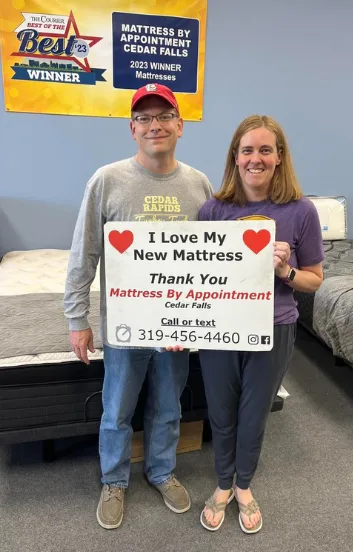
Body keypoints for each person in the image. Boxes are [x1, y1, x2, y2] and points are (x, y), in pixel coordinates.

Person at [64, 83, 214, 529]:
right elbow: (83, 253)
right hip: (124, 327)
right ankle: (114, 479)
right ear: (132, 128)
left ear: (180, 125)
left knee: (169, 406)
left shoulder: (199, 184)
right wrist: (78, 318)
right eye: (145, 118)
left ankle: (162, 471)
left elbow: (212, 256)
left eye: (164, 116)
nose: (155, 125)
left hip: (177, 326)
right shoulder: (107, 180)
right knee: (117, 409)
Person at [196, 115, 324, 533]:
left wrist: (285, 270)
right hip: (218, 328)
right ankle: (221, 485)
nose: (256, 158)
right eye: (247, 150)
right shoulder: (212, 210)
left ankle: (245, 486)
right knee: (221, 412)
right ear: (235, 157)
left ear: (279, 157)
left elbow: (314, 279)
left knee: (254, 414)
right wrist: (176, 325)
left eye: (265, 150)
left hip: (274, 326)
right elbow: (192, 277)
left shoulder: (301, 211)